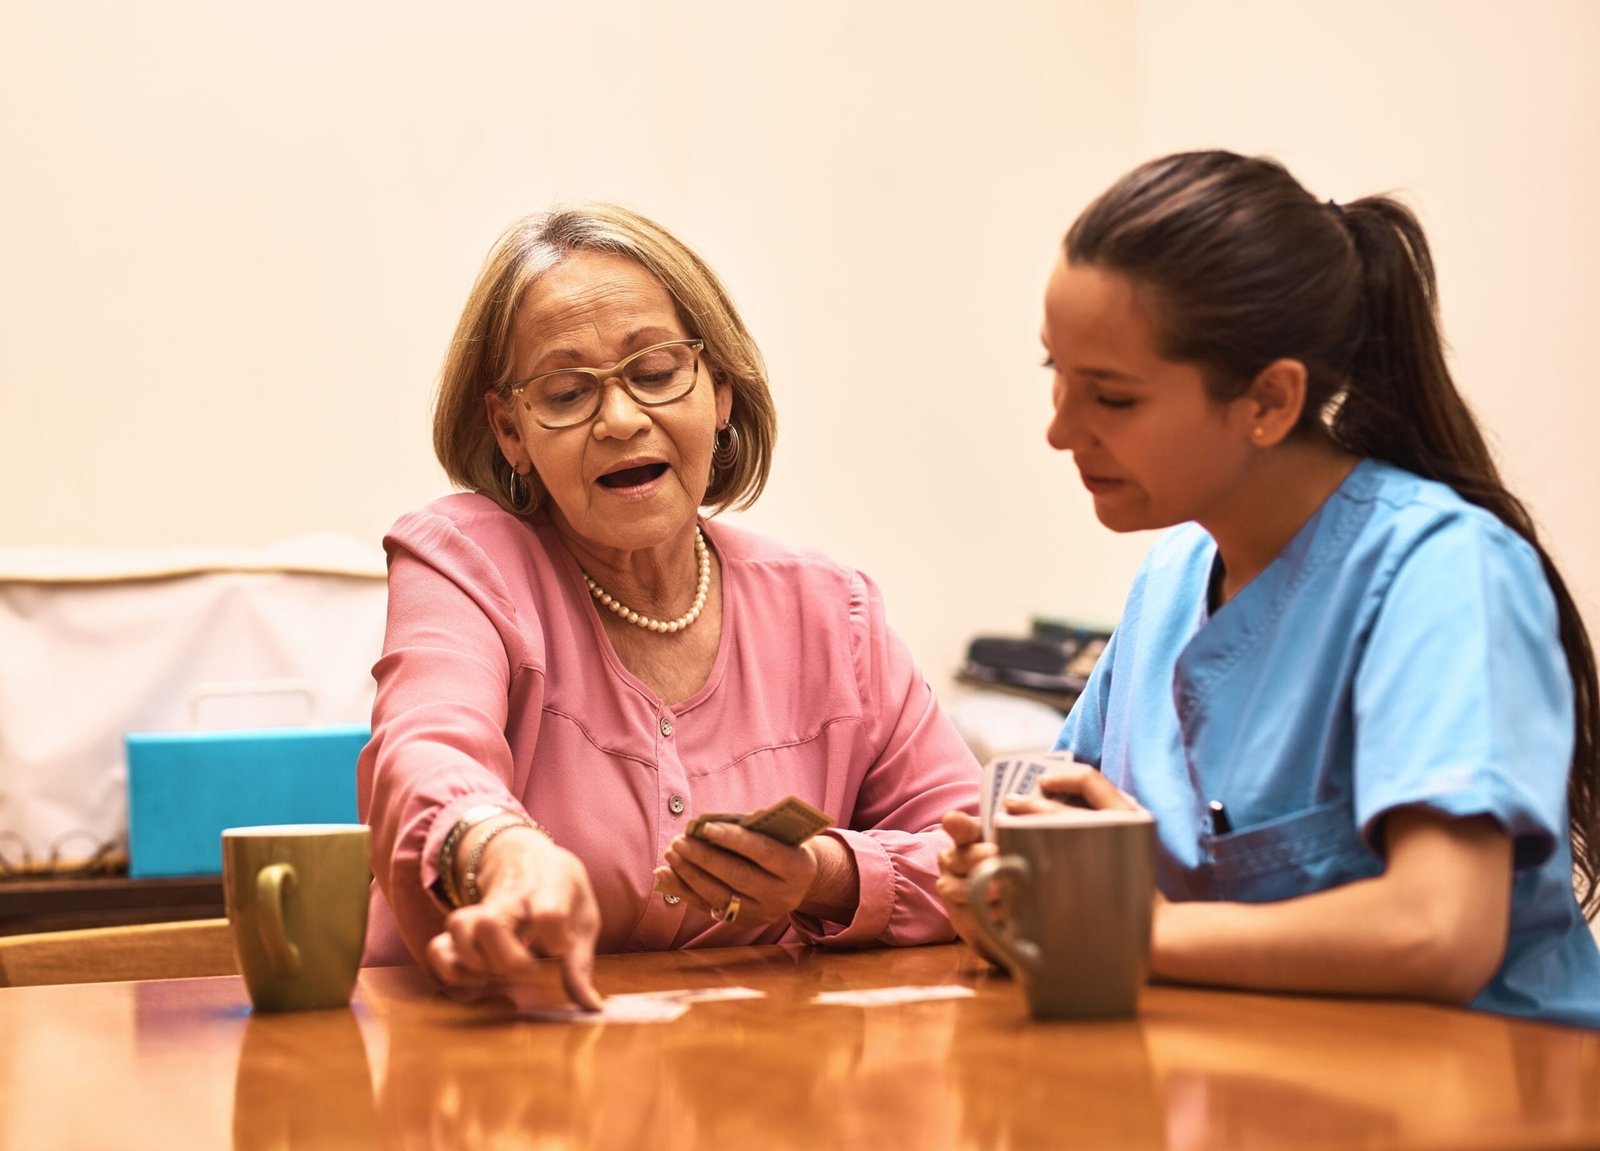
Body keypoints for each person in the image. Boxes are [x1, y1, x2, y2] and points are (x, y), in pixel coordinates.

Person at [938, 150, 1600, 1028]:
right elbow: (1062, 827)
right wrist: (1004, 888)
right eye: (1054, 373)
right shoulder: (1172, 579)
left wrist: (1122, 931)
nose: (1060, 428)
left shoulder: (1441, 574)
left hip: (1481, 1092)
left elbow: (1439, 932)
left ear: (1269, 401)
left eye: (1112, 397)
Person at [359, 202, 980, 1008]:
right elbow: (424, 756)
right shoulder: (464, 559)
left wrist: (823, 876)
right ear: (510, 430)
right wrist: (501, 850)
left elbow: (979, 858)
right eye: (565, 392)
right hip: (492, 1089)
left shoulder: (833, 611)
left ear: (719, 390)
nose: (621, 419)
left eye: (655, 374)